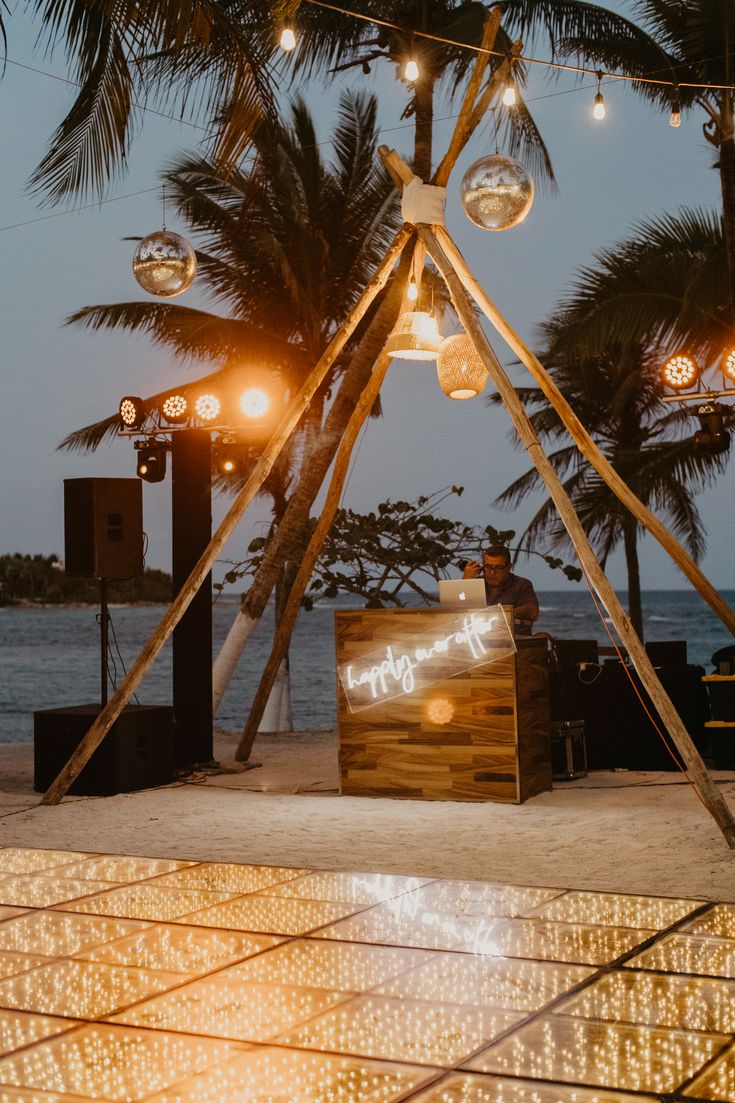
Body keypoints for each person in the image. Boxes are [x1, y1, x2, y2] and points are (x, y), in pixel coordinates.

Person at [463, 544, 540, 632]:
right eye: (488, 567)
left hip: (511, 639)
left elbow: (533, 612)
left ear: (509, 568)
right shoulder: (474, 584)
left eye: (498, 568)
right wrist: (465, 582)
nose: (492, 572)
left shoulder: (521, 585)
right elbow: (455, 612)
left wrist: (499, 612)